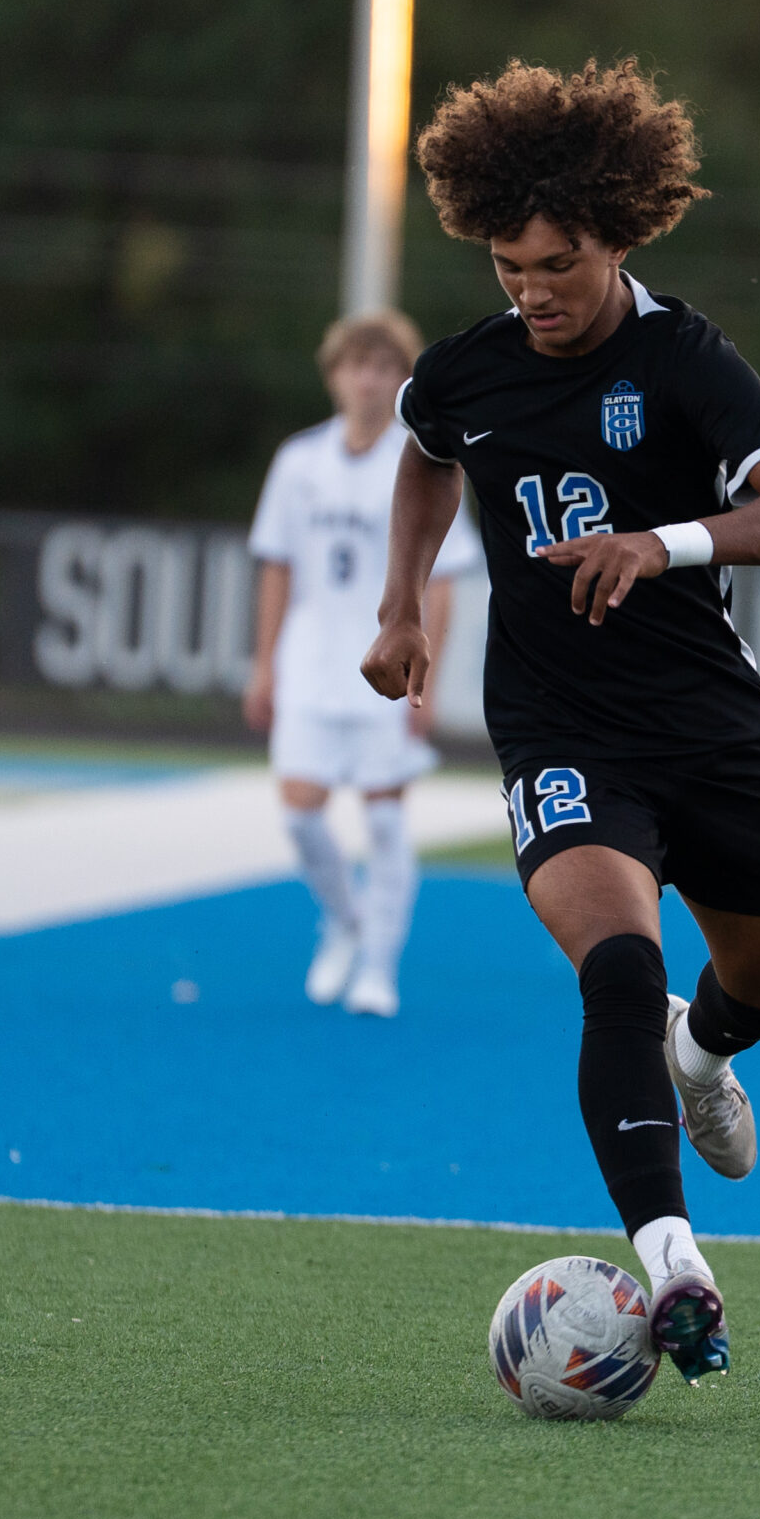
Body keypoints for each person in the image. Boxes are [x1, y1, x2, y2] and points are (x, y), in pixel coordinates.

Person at [362, 59, 760, 1384]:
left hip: (706, 721)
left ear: (618, 237)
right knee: (617, 970)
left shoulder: (685, 357)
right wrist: (404, 603)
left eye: (558, 264)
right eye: (509, 265)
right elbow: (423, 451)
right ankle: (675, 1260)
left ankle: (705, 1050)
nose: (533, 291)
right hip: (557, 722)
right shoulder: (471, 370)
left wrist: (666, 539)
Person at [246, 311, 480, 1017]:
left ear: (402, 378)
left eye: (384, 367)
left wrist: (426, 673)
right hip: (312, 663)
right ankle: (343, 919)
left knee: (382, 820)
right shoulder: (298, 462)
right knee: (300, 817)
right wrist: (264, 665)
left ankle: (379, 965)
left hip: (385, 665)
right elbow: (278, 569)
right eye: (357, 365)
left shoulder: (420, 459)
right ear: (335, 375)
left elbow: (443, 577)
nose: (369, 380)